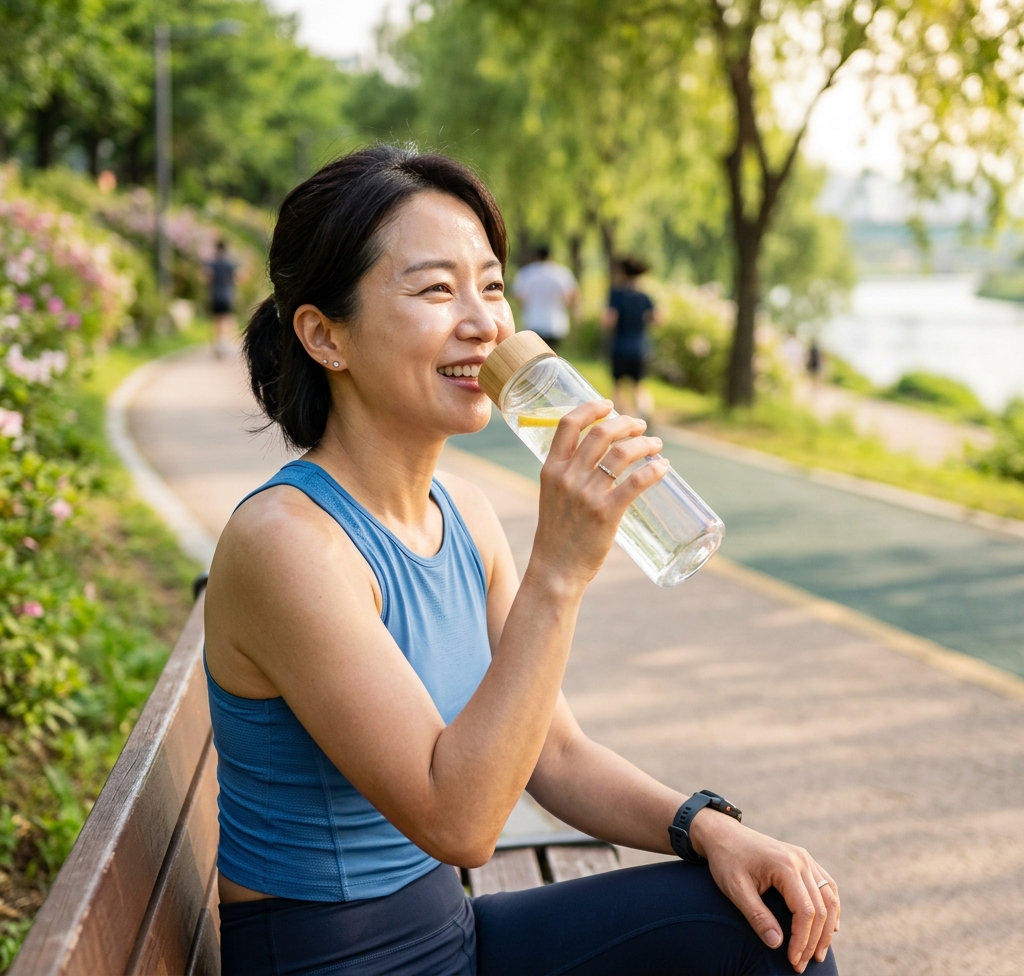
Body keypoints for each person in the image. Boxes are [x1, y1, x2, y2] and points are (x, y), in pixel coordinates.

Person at [204, 146, 840, 976]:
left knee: (767, 921)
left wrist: (709, 826)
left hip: (451, 935)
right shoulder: (288, 543)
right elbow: (460, 825)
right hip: (343, 963)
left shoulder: (460, 512)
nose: (484, 323)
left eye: (492, 286)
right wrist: (560, 572)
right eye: (437, 289)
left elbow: (557, 755)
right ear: (326, 336)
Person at [602, 256, 661, 421]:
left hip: (620, 345)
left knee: (617, 385)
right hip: (640, 347)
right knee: (638, 385)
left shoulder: (616, 294)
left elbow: (608, 320)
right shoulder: (644, 296)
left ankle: (619, 419)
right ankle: (645, 414)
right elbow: (658, 318)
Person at [510, 245, 579, 350]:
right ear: (550, 256)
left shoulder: (527, 273)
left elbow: (518, 296)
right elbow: (572, 294)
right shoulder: (561, 273)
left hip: (533, 321)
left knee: (535, 356)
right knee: (552, 355)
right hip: (555, 323)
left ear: (536, 256)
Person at [207, 238, 237, 357]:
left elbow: (205, 276)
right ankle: (224, 342)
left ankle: (217, 343)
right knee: (226, 318)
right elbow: (239, 278)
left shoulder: (213, 263)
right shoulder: (230, 263)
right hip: (227, 295)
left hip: (215, 295)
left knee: (216, 319)